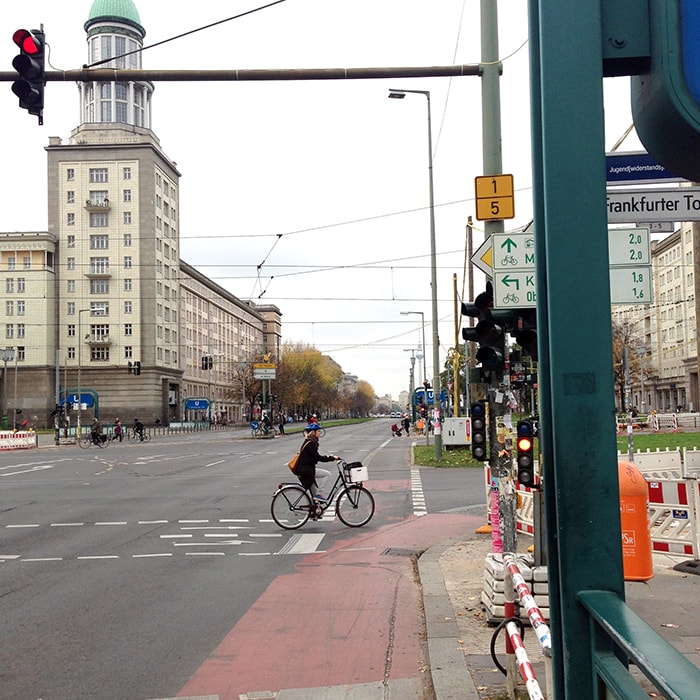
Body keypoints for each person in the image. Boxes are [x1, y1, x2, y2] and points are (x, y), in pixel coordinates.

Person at [295, 422, 338, 512]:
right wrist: (331, 458)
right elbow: (317, 457)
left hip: (304, 470)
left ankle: (314, 512)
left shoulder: (309, 442)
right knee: (327, 474)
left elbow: (314, 456)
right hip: (306, 470)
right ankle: (319, 494)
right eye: (318, 431)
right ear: (313, 433)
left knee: (314, 496)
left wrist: (328, 457)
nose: (320, 433)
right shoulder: (311, 443)